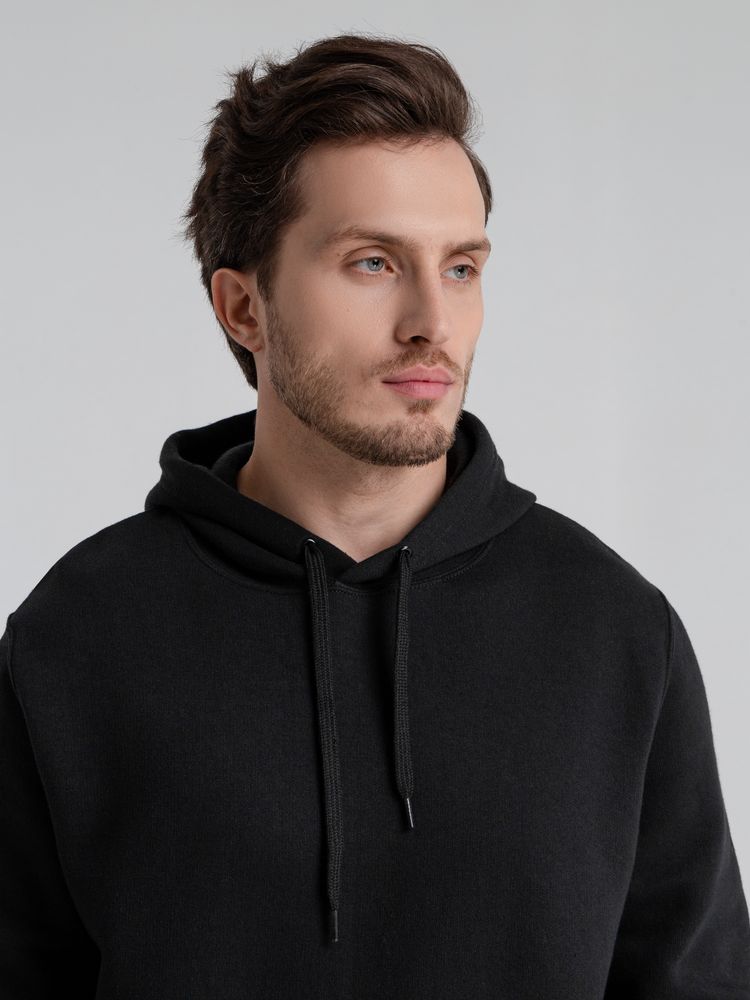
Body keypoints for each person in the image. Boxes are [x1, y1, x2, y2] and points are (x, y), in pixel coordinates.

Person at [1, 31, 748, 1000]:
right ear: (242, 307)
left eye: (462, 267)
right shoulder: (79, 636)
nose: (432, 321)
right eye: (372, 262)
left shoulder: (615, 632)